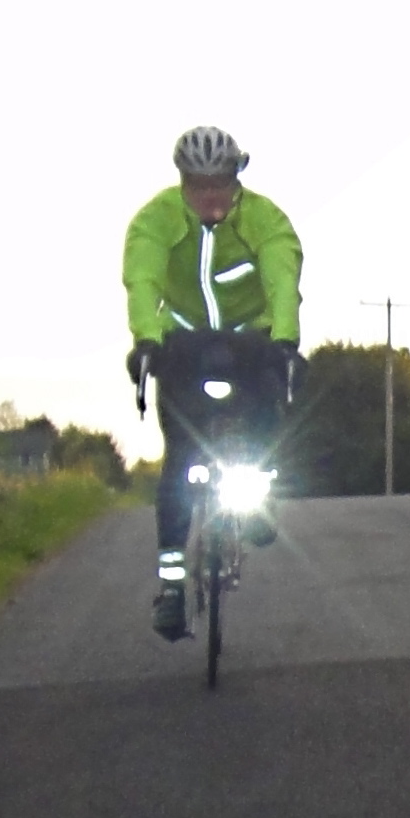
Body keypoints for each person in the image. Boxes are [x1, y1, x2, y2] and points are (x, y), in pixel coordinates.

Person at [123, 126, 303, 641]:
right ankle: (172, 588)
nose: (208, 196)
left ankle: (261, 492)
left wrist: (285, 341)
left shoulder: (265, 219)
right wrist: (146, 341)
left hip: (250, 339)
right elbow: (142, 279)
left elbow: (282, 279)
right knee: (179, 459)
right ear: (181, 181)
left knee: (268, 415)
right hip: (183, 344)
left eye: (219, 183)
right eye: (196, 185)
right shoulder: (155, 220)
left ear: (235, 179)